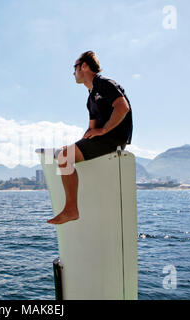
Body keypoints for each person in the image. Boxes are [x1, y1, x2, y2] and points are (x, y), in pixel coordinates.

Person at [47, 51, 133, 225]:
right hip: (104, 138)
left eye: (75, 68)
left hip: (114, 137)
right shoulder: (90, 98)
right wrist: (75, 146)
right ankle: (70, 209)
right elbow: (90, 130)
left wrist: (104, 130)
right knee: (65, 154)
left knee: (65, 157)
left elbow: (122, 107)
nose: (73, 73)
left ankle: (71, 210)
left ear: (84, 66)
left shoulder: (105, 84)